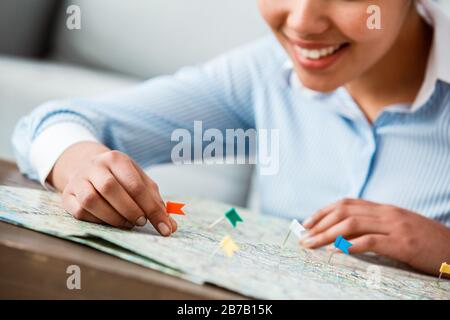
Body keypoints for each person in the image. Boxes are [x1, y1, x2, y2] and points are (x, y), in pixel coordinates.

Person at [12, 0, 450, 275]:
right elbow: (54, 124)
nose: (302, 21)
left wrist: (443, 250)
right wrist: (84, 165)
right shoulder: (265, 73)